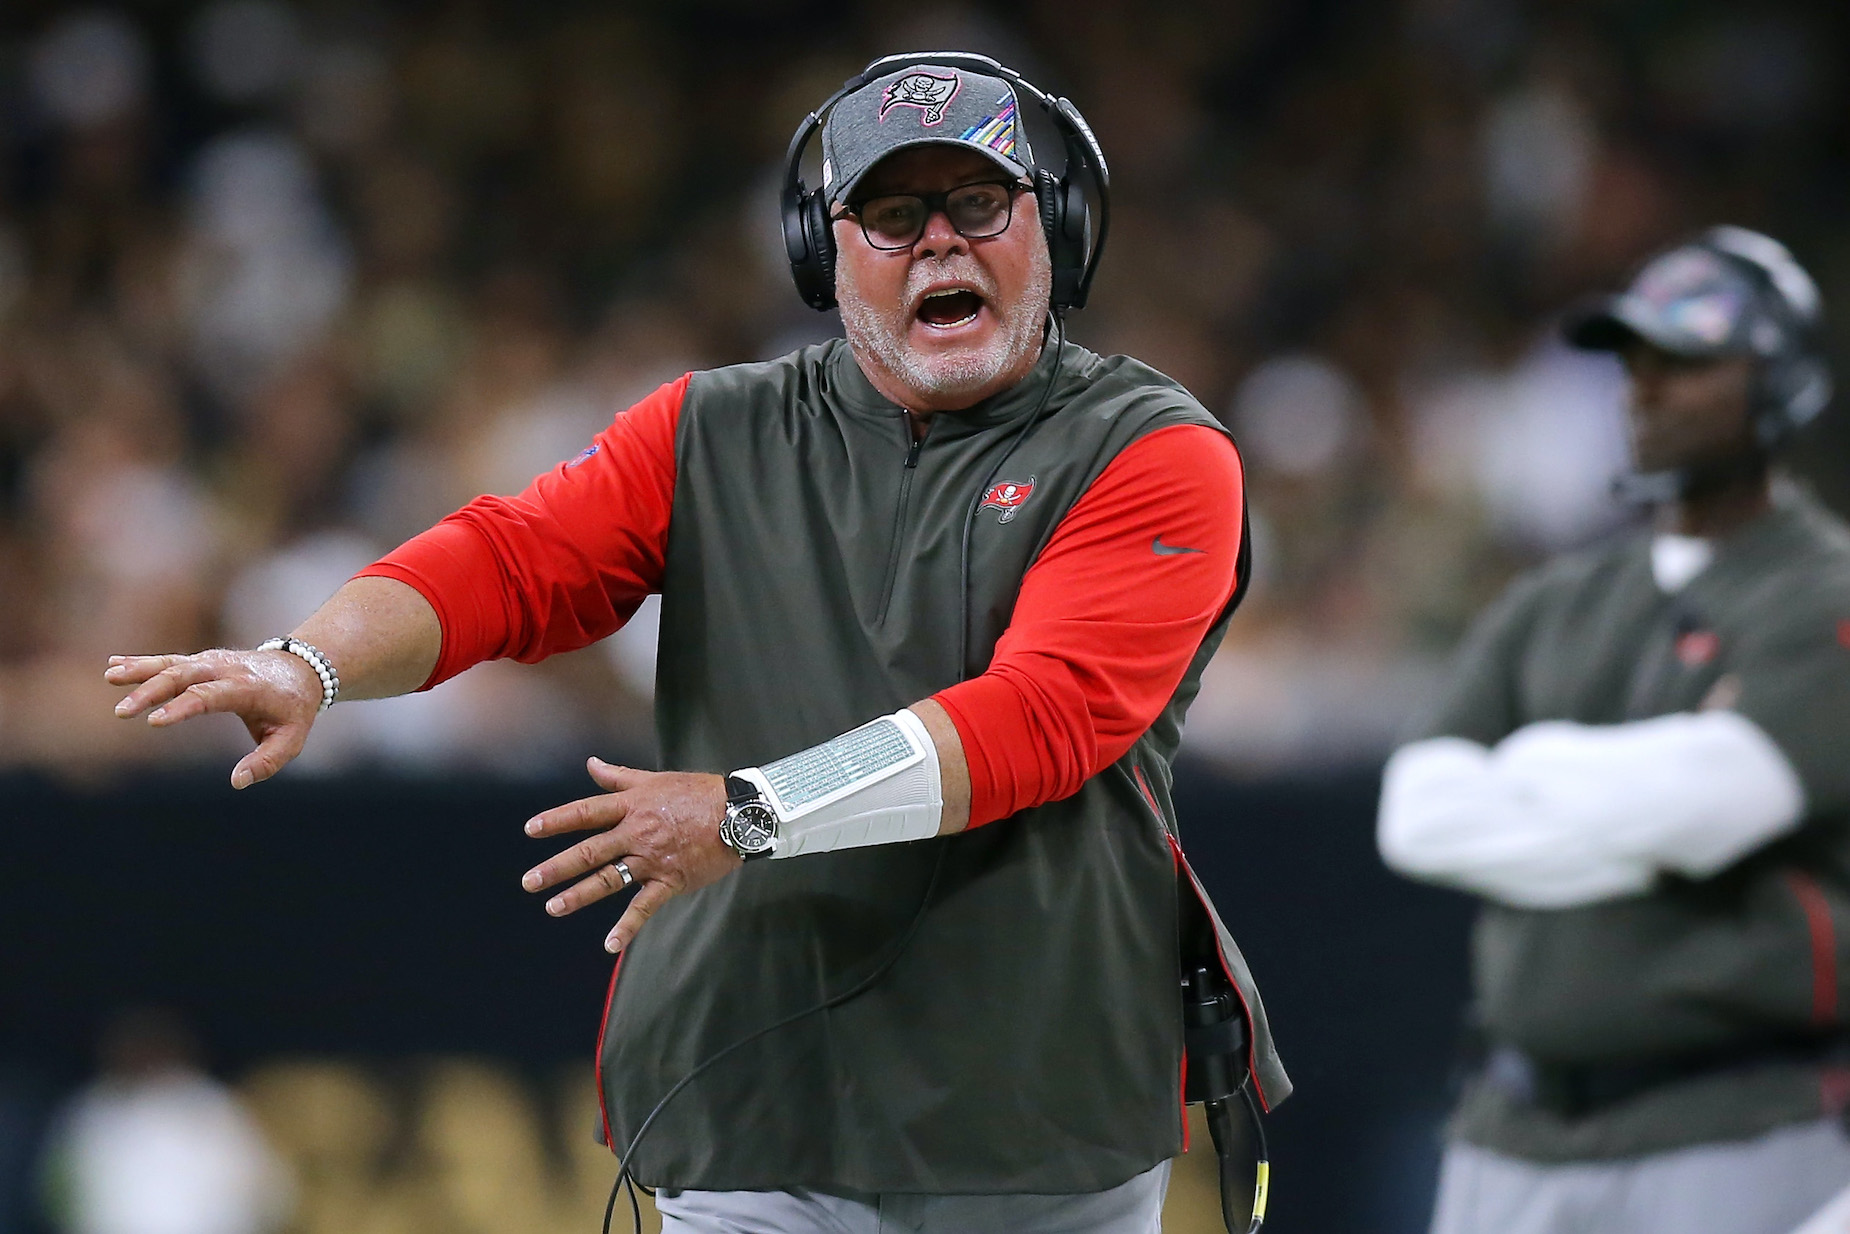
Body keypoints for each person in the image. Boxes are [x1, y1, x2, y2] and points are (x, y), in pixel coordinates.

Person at [108, 53, 1289, 1233]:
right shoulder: (711, 428)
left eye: (977, 204)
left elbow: (1042, 718)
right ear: (823, 255)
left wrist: (746, 809)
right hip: (750, 1101)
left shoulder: (1153, 452)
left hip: (1034, 1121)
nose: (938, 241)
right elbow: (512, 557)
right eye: (890, 213)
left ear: (1060, 226)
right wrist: (306, 659)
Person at [1377, 226, 1850, 1234]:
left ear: (1779, 380)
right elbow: (1416, 817)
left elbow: (1713, 809)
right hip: (1508, 1127)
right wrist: (1634, 790)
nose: (1640, 388)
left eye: (1683, 362)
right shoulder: (1552, 599)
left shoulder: (1824, 589)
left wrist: (1523, 769)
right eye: (1630, 360)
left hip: (1733, 1122)